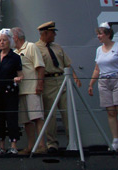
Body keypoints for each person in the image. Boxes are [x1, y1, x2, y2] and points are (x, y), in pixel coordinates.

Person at [35, 21, 81, 153]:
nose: (55, 35)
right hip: (48, 82)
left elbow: (67, 64)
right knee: (50, 115)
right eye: (52, 32)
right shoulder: (36, 48)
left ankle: (73, 141)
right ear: (45, 33)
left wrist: (75, 77)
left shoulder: (58, 47)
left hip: (62, 79)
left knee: (68, 112)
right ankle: (52, 144)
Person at [11, 27, 47, 154]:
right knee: (26, 121)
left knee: (37, 117)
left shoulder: (31, 47)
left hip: (32, 89)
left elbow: (40, 67)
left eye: (11, 36)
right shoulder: (14, 52)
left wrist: (40, 85)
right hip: (21, 90)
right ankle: (31, 146)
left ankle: (42, 145)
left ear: (16, 37)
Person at [0, 28, 24, 155]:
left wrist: (18, 78)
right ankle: (1, 146)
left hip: (10, 92)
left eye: (4, 40)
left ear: (9, 42)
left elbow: (21, 74)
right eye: (0, 40)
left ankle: (13, 145)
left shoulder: (14, 57)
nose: (2, 42)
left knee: (11, 117)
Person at [88, 22, 118, 151]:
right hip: (103, 81)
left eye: (100, 34)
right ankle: (115, 140)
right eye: (97, 34)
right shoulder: (99, 50)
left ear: (107, 34)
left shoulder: (117, 47)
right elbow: (97, 68)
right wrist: (91, 84)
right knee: (111, 112)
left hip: (116, 79)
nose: (98, 36)